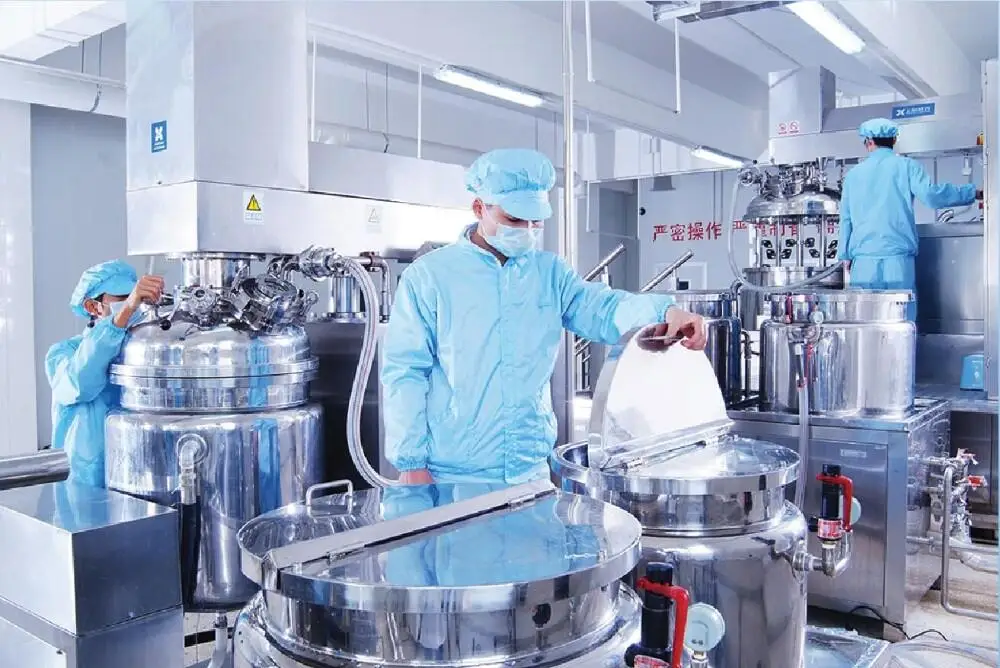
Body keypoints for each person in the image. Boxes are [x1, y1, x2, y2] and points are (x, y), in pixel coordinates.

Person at [381, 148, 707, 486]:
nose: (526, 230)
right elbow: (406, 371)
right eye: (514, 220)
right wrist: (411, 462)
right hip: (451, 474)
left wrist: (664, 311)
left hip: (530, 469)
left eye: (535, 221)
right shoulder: (431, 276)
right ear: (479, 208)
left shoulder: (549, 273)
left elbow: (603, 309)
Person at [838, 117, 982, 320]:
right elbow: (932, 196)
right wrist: (972, 192)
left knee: (865, 324)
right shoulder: (907, 167)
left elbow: (845, 219)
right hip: (897, 262)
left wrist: (844, 256)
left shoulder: (853, 175)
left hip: (863, 265)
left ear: (868, 142)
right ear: (894, 140)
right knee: (901, 322)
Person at [46, 261, 164, 488]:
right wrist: (123, 314)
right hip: (85, 483)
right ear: (93, 306)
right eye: (123, 298)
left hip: (137, 475)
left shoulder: (139, 353)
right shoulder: (63, 353)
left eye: (137, 297)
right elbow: (81, 383)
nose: (134, 305)